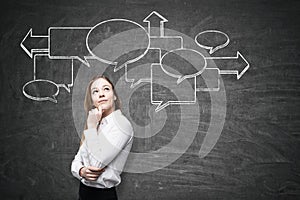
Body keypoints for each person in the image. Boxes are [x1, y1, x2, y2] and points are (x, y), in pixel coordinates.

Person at [71, 75, 134, 200]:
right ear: (92, 100)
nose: (101, 94)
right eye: (95, 91)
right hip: (83, 193)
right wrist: (81, 171)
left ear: (114, 96)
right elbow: (76, 161)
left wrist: (91, 127)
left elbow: (96, 164)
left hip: (103, 196)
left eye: (106, 89)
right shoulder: (95, 124)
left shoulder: (121, 125)